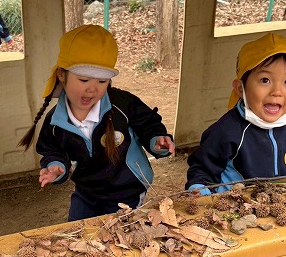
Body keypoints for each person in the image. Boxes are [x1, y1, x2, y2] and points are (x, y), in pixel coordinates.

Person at [18, 24, 175, 221]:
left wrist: (156, 140)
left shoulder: (122, 104)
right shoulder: (56, 121)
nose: (92, 89)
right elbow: (52, 150)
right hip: (87, 192)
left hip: (127, 190)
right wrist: (56, 166)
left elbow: (148, 124)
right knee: (78, 230)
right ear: (62, 75)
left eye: (102, 81)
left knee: (118, 233)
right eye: (84, 80)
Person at [185, 32, 286, 195]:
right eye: (265, 80)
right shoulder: (228, 130)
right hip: (235, 203)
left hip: (274, 200)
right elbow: (202, 167)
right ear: (241, 88)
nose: (277, 91)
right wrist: (199, 190)